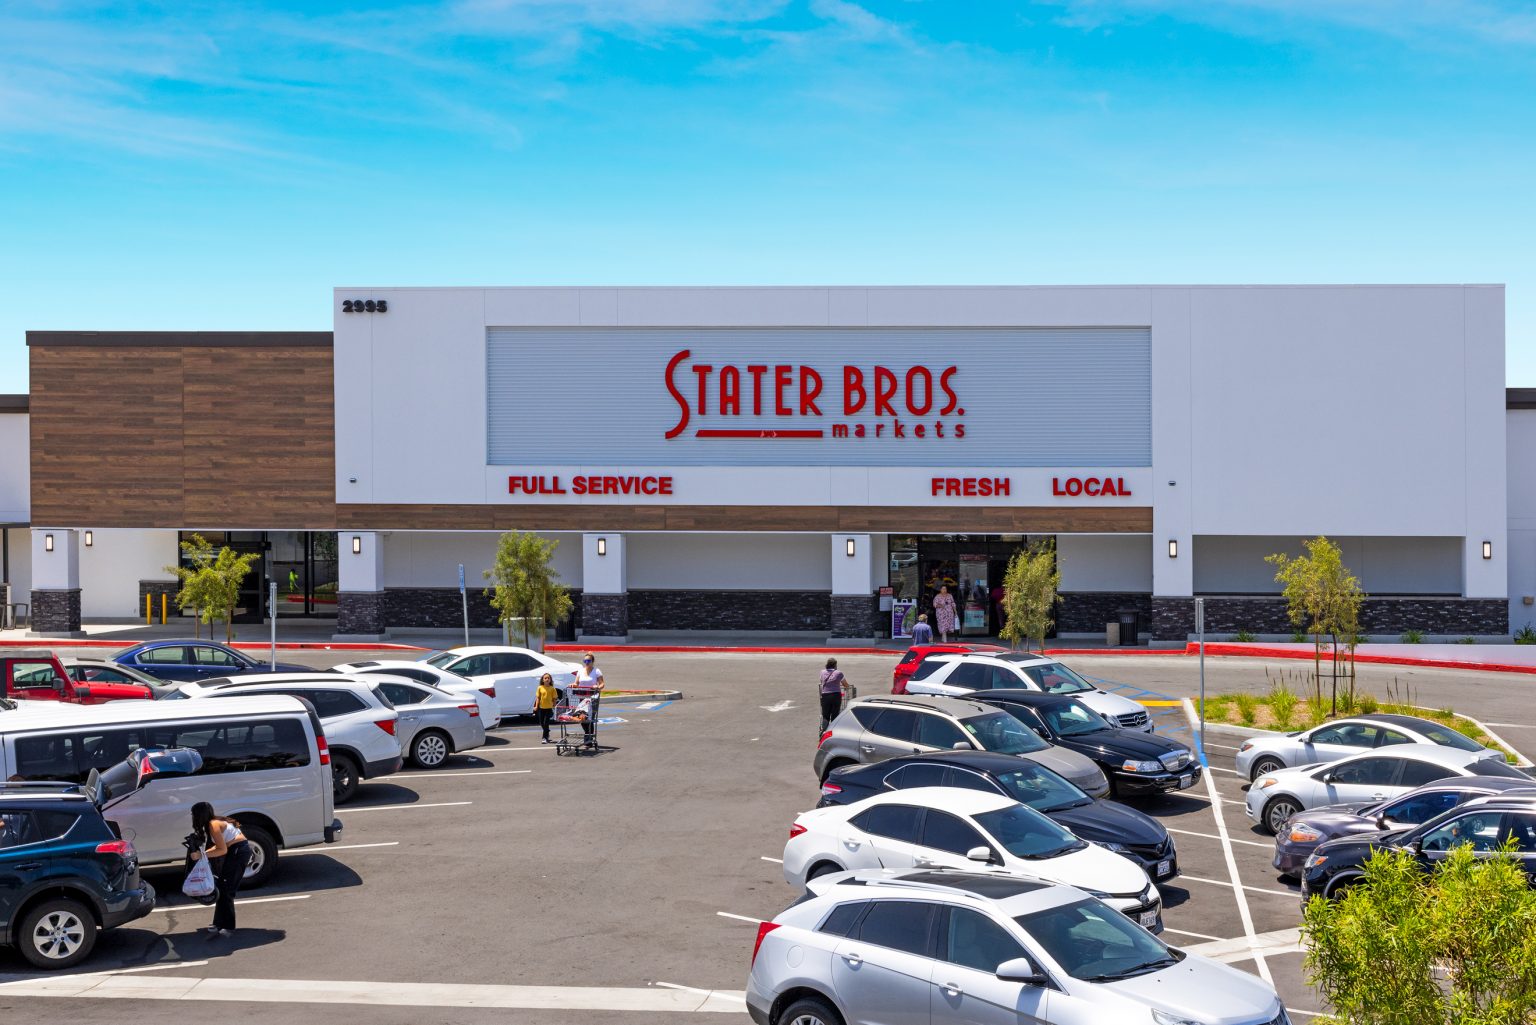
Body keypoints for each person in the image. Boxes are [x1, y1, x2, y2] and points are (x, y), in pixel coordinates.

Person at [192, 801, 250, 937]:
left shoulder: (213, 825)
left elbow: (222, 850)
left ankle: (228, 927)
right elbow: (220, 846)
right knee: (222, 887)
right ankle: (218, 923)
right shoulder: (215, 821)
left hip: (238, 852)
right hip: (237, 850)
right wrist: (204, 854)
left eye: (193, 814)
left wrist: (202, 854)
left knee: (227, 889)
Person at [575, 653, 604, 744]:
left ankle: (588, 738)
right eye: (585, 661)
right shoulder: (580, 671)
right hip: (582, 698)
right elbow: (576, 683)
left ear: (592, 661)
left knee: (589, 719)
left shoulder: (596, 671)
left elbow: (602, 684)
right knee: (582, 718)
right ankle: (587, 734)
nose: (586, 663)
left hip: (592, 698)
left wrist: (597, 687)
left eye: (588, 661)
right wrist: (573, 685)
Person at [818, 658, 851, 734]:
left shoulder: (822, 672)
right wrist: (846, 687)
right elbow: (845, 684)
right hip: (836, 696)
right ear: (835, 665)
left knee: (825, 715)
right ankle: (833, 731)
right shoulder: (839, 673)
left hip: (825, 696)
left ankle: (824, 731)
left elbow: (822, 681)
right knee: (835, 714)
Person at [535, 672, 559, 744]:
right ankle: (547, 731)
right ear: (543, 680)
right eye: (545, 678)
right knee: (541, 722)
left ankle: (544, 737)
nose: (547, 679)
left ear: (550, 680)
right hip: (541, 708)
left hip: (548, 708)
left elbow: (554, 698)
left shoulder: (552, 688)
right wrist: (536, 706)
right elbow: (538, 698)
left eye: (548, 678)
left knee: (546, 723)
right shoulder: (540, 688)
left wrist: (554, 706)